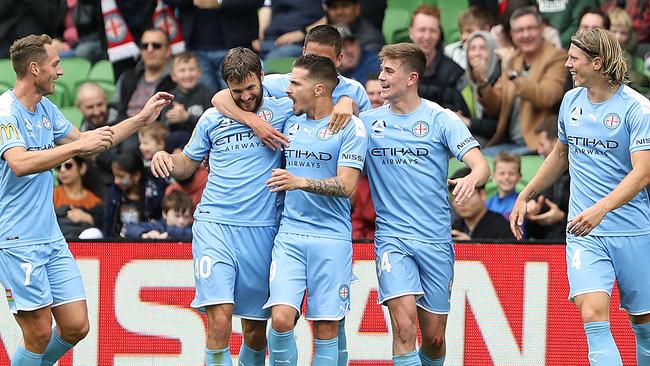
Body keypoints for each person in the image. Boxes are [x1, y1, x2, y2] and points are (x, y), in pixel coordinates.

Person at [0, 34, 171, 366]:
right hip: (16, 238)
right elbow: (19, 163)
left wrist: (140, 121)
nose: (61, 72)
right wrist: (75, 148)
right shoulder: (6, 112)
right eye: (55, 64)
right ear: (34, 69)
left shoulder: (46, 109)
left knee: (76, 325)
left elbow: (90, 141)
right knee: (37, 334)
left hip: (49, 236)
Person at [510, 29, 650, 366]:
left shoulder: (638, 109)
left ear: (597, 62)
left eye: (574, 58)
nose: (568, 64)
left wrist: (602, 208)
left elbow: (643, 172)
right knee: (592, 314)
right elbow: (561, 155)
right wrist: (525, 192)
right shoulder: (571, 101)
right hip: (585, 234)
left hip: (633, 231)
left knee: (644, 326)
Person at [151, 47, 294, 365]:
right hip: (215, 226)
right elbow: (187, 165)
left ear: (261, 76)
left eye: (250, 89)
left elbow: (328, 93)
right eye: (236, 91)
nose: (244, 97)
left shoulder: (285, 110)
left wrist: (341, 103)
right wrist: (165, 157)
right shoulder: (213, 118)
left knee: (256, 332)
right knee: (219, 319)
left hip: (263, 229)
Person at [360, 43, 490, 365]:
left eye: (389, 71)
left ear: (411, 77)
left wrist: (471, 179)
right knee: (404, 327)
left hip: (435, 240)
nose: (382, 78)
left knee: (433, 338)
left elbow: (481, 165)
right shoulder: (366, 123)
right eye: (381, 70)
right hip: (393, 238)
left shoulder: (440, 119)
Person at [264, 53, 367, 366]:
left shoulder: (351, 129)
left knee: (325, 327)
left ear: (319, 89)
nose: (289, 89)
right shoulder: (289, 123)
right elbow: (227, 96)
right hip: (290, 234)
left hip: (331, 238)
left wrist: (300, 182)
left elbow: (347, 186)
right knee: (281, 318)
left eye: (296, 83)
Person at [212, 24, 370, 150]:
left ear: (338, 59)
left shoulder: (354, 90)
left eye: (324, 60)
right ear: (303, 53)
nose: (316, 65)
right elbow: (220, 98)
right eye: (311, 57)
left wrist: (350, 104)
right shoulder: (280, 84)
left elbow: (367, 137)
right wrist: (253, 121)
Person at [480, 6, 566, 156]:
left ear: (541, 30)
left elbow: (547, 97)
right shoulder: (515, 58)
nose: (526, 34)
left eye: (531, 28)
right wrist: (482, 82)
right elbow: (495, 106)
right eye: (520, 30)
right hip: (507, 143)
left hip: (536, 144)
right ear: (512, 35)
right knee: (474, 160)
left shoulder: (557, 57)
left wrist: (513, 74)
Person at [408, 5, 470, 117]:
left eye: (432, 31)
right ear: (411, 32)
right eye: (422, 30)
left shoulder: (454, 72)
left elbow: (455, 113)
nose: (427, 36)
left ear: (439, 34)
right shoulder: (398, 68)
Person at [113, 27, 176, 122]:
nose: (150, 49)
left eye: (156, 45)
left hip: (155, 133)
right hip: (124, 130)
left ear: (168, 51)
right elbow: (114, 109)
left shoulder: (176, 80)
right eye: (145, 46)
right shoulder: (127, 77)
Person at [103, 151, 168, 238]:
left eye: (121, 176)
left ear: (136, 175)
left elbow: (161, 222)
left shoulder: (154, 193)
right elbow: (108, 224)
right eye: (115, 176)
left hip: (148, 242)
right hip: (118, 244)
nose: (116, 181)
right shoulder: (115, 192)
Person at [525, 115, 570, 240]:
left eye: (541, 144)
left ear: (556, 143)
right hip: (547, 250)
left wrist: (561, 217)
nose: (538, 151)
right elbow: (533, 233)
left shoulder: (580, 175)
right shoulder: (543, 177)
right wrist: (533, 214)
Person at [450, 167, 514, 241]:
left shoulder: (501, 226)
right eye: (456, 196)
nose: (462, 201)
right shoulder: (454, 228)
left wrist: (470, 246)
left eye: (467, 195)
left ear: (482, 194)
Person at [161, 52, 216, 134]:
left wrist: (187, 117)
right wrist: (172, 118)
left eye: (191, 69)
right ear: (173, 76)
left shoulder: (209, 94)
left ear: (199, 72)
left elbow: (213, 123)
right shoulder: (168, 98)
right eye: (182, 70)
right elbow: (163, 129)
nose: (187, 74)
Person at [54, 156, 105, 241]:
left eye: (68, 166)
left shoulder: (94, 201)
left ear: (82, 168)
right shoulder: (52, 195)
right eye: (59, 167)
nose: (62, 170)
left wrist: (87, 218)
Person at [122, 190, 194, 241]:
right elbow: (128, 228)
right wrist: (145, 235)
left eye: (186, 217)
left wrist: (168, 232)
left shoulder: (195, 230)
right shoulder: (157, 226)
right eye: (177, 216)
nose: (181, 221)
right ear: (165, 213)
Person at [443, 6, 493, 70]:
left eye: (469, 31)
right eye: (461, 32)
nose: (463, 37)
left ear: (486, 30)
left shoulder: (498, 55)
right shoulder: (449, 52)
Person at [485, 151, 522, 220]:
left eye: (511, 173)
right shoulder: (487, 204)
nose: (506, 177)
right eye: (502, 173)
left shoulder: (522, 202)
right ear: (494, 177)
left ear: (519, 177)